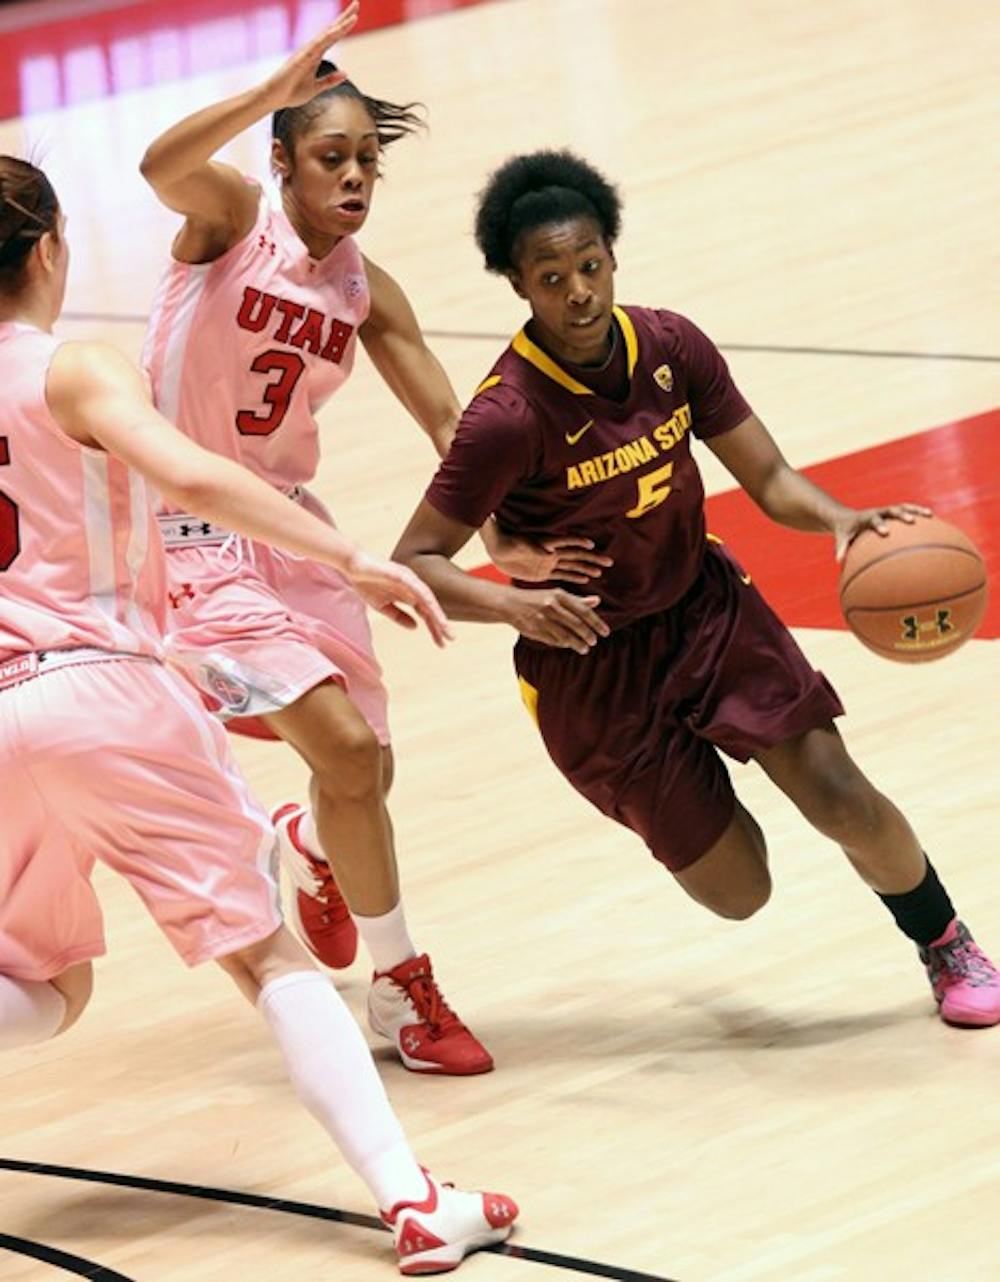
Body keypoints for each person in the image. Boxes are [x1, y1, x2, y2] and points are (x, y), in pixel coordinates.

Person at [0, 155, 517, 1275]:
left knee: (44, 987)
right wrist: (346, 554)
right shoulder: (72, 369)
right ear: (49, 248)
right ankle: (412, 1198)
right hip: (104, 690)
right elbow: (191, 479)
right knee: (267, 959)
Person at [392, 148, 1000, 1030]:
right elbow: (415, 561)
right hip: (590, 667)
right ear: (519, 285)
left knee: (837, 790)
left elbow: (772, 478)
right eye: (552, 276)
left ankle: (945, 942)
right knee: (739, 890)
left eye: (590, 265)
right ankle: (687, 781)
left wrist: (839, 521)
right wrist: (512, 600)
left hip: (703, 610)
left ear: (613, 253)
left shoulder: (670, 345)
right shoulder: (507, 417)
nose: (578, 293)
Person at [138, 3, 605, 1075]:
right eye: (331, 158)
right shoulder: (229, 223)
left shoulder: (361, 286)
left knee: (368, 771)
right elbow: (161, 165)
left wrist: (507, 543)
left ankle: (309, 852)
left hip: (295, 529)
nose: (352, 179)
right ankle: (402, 994)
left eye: (366, 162)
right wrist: (268, 89)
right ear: (284, 163)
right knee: (343, 747)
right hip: (189, 528)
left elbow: (450, 424)